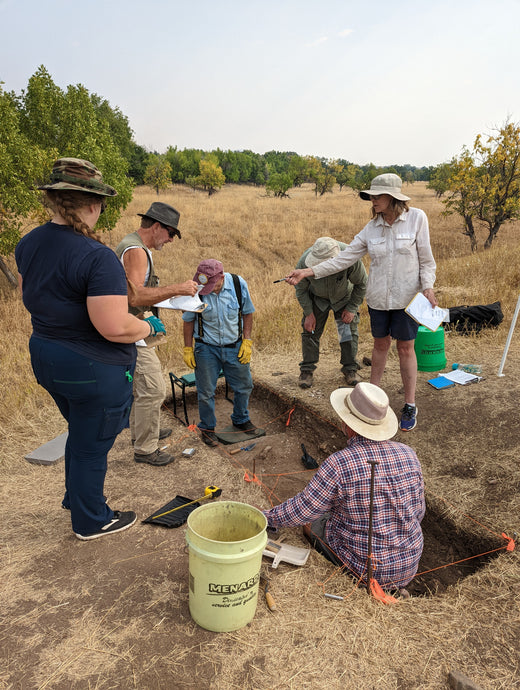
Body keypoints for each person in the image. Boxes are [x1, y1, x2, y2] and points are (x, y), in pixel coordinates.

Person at [15, 157, 159, 540]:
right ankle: (91, 519)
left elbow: (29, 292)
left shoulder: (28, 243)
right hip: (92, 368)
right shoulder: (97, 257)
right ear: (95, 204)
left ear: (54, 200)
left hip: (46, 356)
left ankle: (74, 497)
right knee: (93, 444)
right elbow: (113, 326)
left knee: (80, 432)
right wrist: (148, 324)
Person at [286, 174, 438, 432]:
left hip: (406, 298)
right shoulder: (371, 228)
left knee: (405, 349)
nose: (372, 200)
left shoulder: (416, 218)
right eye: (371, 196)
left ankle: (409, 404)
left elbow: (426, 258)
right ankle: (373, 398)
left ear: (393, 197)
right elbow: (344, 258)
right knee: (380, 345)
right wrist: (308, 272)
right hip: (379, 299)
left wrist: (428, 287)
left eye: (377, 196)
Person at [263, 382, 425, 591]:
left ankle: (363, 578)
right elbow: (419, 512)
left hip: (366, 569)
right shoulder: (409, 454)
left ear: (347, 425)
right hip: (409, 564)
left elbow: (302, 511)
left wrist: (267, 517)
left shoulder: (339, 463)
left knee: (313, 524)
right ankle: (396, 586)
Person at [115, 202, 198, 466]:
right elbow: (134, 294)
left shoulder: (134, 245)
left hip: (134, 324)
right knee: (153, 389)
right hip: (131, 330)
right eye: (171, 233)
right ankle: (145, 449)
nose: (171, 240)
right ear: (157, 226)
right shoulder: (137, 251)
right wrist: (177, 290)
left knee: (143, 387)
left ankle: (144, 432)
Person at [182, 259, 257, 447]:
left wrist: (246, 341)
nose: (210, 291)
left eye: (213, 286)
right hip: (206, 348)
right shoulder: (197, 290)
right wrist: (188, 348)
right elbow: (188, 320)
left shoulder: (239, 285)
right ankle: (207, 428)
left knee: (244, 386)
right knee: (205, 392)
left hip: (235, 346)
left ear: (222, 277)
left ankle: (240, 419)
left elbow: (248, 312)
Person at [295, 236, 367, 389]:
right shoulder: (304, 261)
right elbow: (300, 290)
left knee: (347, 332)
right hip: (318, 299)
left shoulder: (350, 257)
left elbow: (362, 284)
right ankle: (307, 370)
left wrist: (352, 308)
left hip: (343, 299)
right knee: (310, 331)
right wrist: (309, 313)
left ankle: (350, 369)